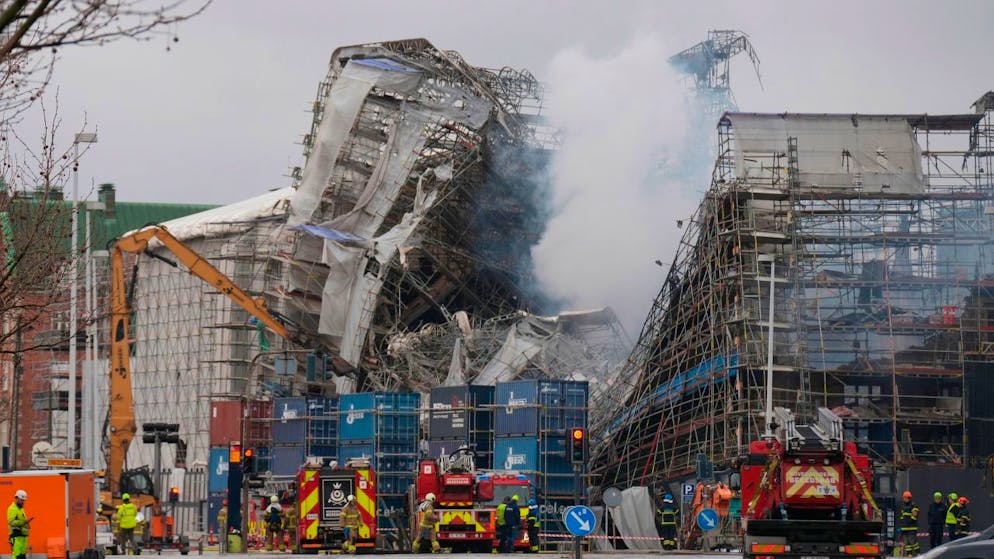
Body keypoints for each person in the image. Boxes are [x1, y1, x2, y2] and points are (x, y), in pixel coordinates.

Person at [7, 490, 31, 559]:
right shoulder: (12, 508)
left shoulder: (21, 509)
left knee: (22, 556)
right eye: (22, 500)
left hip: (23, 536)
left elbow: (23, 520)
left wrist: (27, 524)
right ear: (16, 498)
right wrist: (23, 522)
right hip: (16, 536)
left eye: (24, 500)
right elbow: (11, 522)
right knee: (17, 556)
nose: (23, 502)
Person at [899, 491, 919, 556]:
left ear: (908, 498)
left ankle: (919, 554)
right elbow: (902, 517)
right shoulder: (903, 506)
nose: (903, 499)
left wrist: (908, 523)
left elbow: (914, 515)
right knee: (907, 544)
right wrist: (902, 525)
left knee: (913, 542)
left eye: (905, 497)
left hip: (911, 528)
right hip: (905, 528)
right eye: (903, 497)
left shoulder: (913, 505)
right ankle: (909, 555)